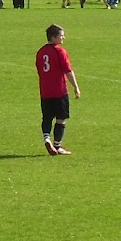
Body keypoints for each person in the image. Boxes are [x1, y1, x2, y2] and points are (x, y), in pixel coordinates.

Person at [36, 24, 82, 156]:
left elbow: (39, 70)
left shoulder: (41, 52)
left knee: (47, 117)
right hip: (59, 90)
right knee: (61, 118)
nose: (63, 38)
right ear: (53, 37)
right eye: (61, 35)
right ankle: (57, 145)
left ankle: (46, 138)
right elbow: (68, 70)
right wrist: (76, 87)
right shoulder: (60, 51)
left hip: (45, 91)